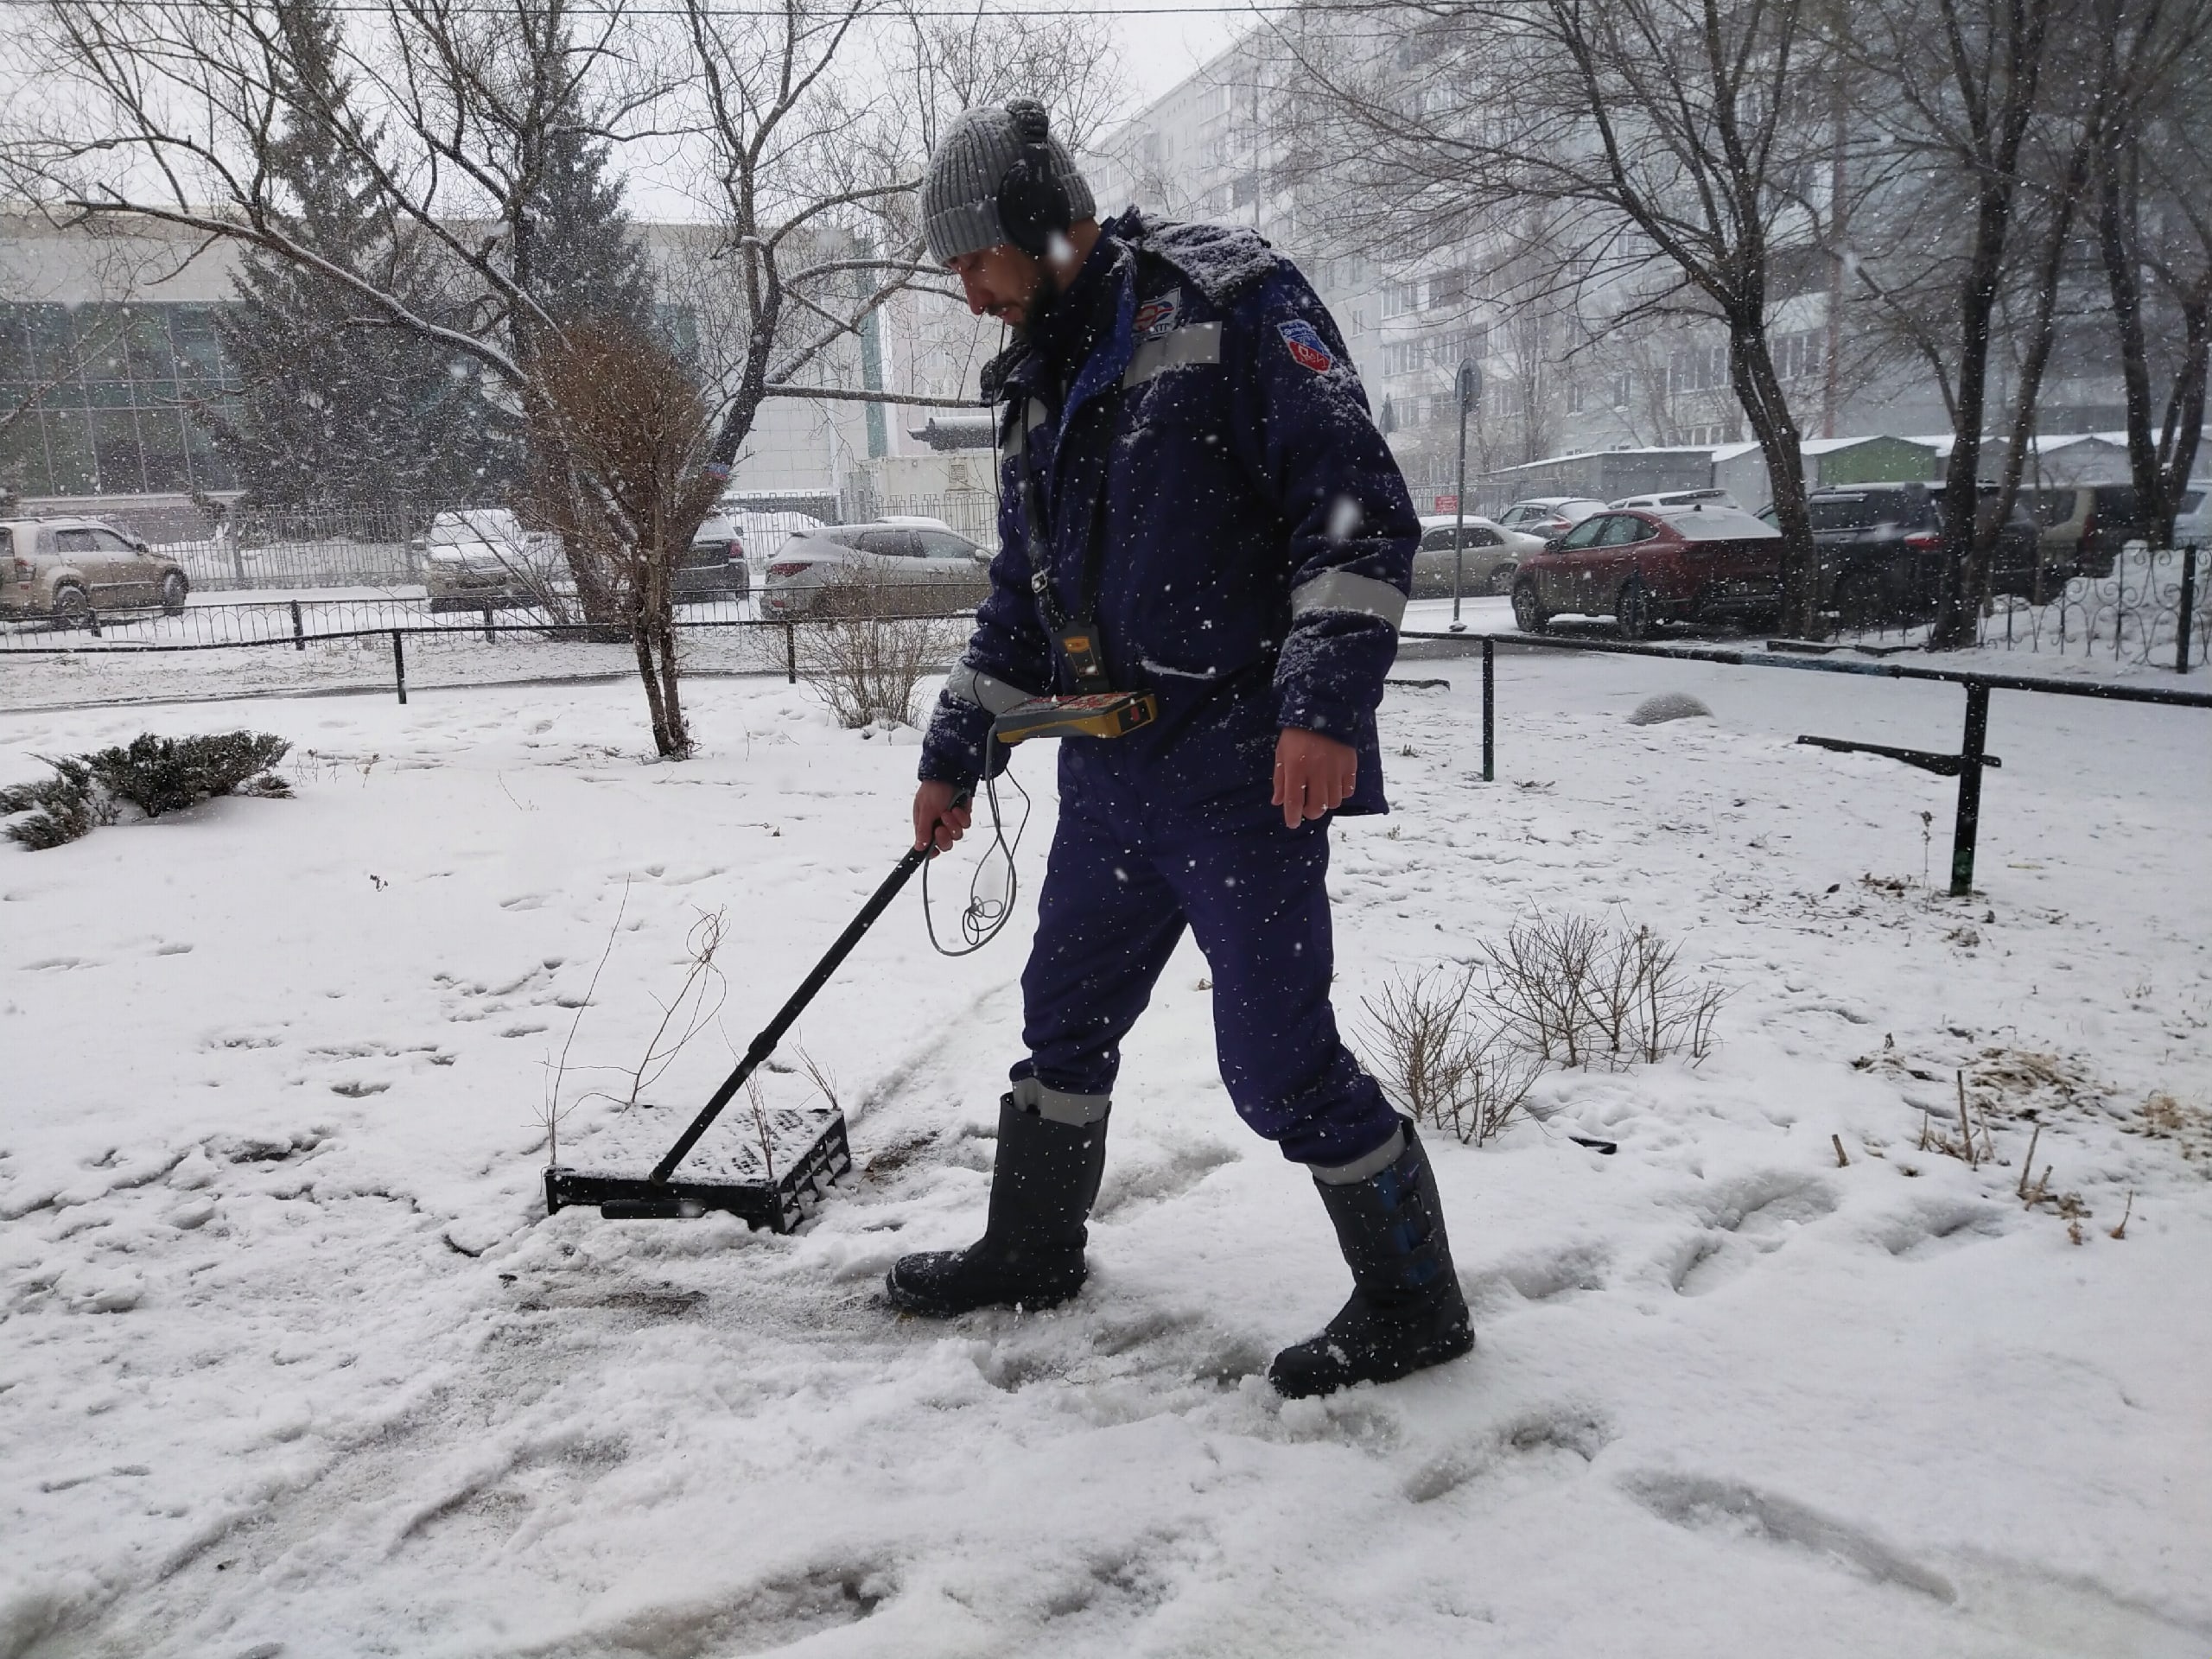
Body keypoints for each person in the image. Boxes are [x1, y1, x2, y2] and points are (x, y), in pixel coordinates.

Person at [884, 101, 1472, 1398]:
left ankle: (1414, 1302)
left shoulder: (1232, 297)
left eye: (970, 264)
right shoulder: (1038, 382)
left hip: (1243, 765)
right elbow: (1021, 596)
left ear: (1029, 231)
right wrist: (956, 748)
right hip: (1108, 773)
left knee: (1275, 1060)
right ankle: (1033, 1247)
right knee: (1062, 1017)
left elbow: (1356, 510)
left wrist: (1323, 707)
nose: (969, 297)